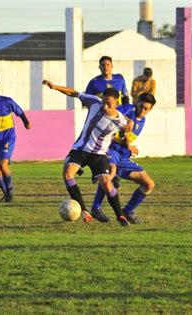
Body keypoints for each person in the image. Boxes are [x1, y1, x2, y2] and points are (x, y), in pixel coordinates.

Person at [43, 79, 133, 226]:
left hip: (99, 155)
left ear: (117, 103)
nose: (104, 106)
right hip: (80, 149)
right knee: (67, 173)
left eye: (108, 104)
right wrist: (55, 87)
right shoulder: (94, 102)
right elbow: (74, 92)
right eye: (103, 102)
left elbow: (125, 142)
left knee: (106, 184)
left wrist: (126, 135)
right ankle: (84, 210)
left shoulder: (122, 122)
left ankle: (120, 216)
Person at [90, 93, 156, 224]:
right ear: (136, 101)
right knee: (109, 173)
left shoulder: (142, 120)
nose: (142, 110)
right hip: (111, 149)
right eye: (141, 106)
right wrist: (126, 145)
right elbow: (107, 128)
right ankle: (96, 208)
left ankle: (128, 210)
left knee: (149, 184)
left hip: (124, 156)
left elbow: (127, 139)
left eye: (146, 109)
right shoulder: (126, 110)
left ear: (150, 109)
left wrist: (128, 147)